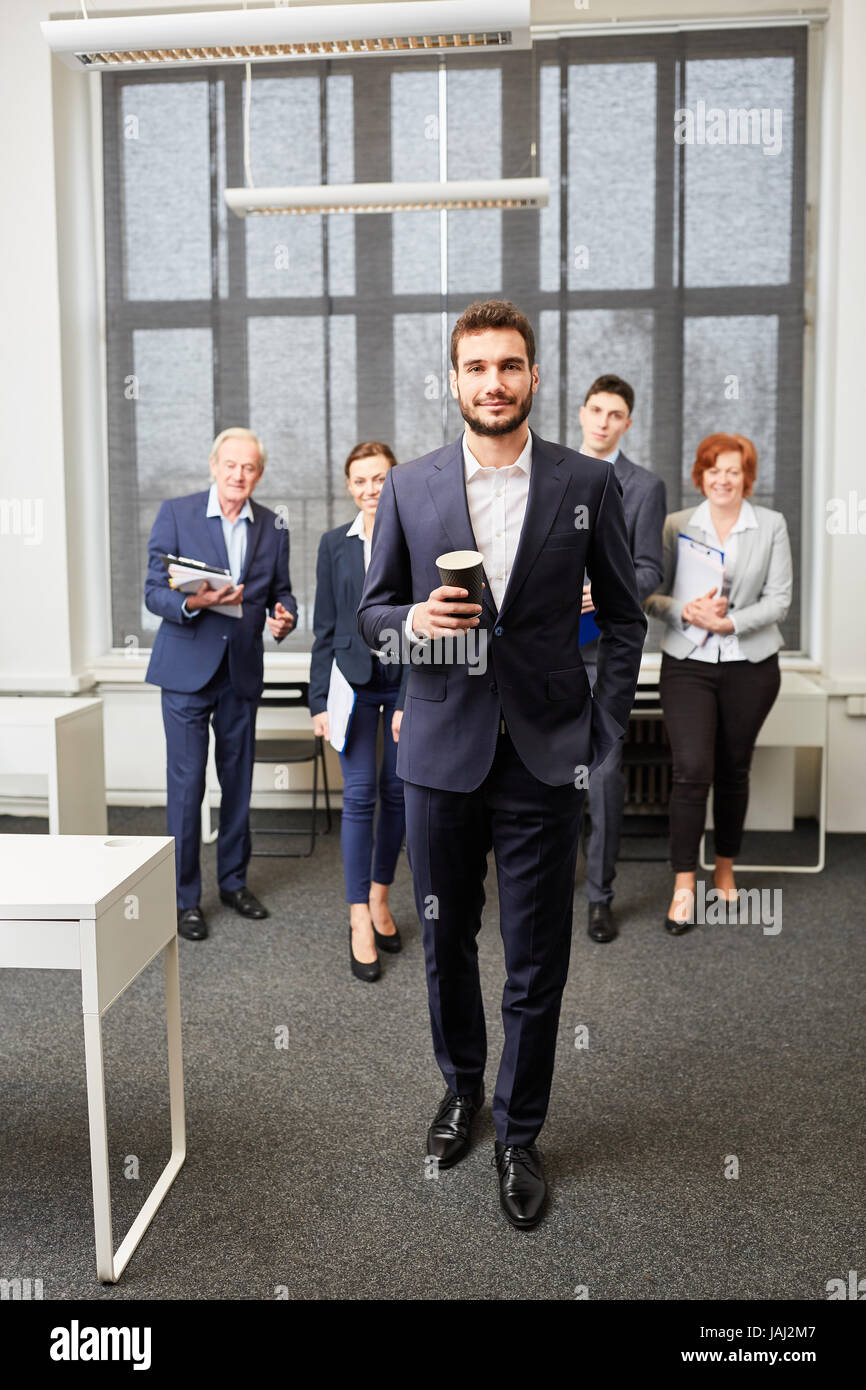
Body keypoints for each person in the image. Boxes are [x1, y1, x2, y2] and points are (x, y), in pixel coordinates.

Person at [358, 299, 646, 1229]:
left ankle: (520, 1131)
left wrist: (603, 732)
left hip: (545, 754)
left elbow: (628, 618)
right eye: (477, 366)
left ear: (532, 376)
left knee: (537, 957)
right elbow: (372, 615)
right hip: (440, 752)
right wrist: (410, 625)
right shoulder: (412, 486)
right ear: (453, 380)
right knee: (444, 943)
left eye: (510, 365)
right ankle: (461, 1093)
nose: (494, 382)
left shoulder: (582, 482)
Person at [145, 427, 297, 941]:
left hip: (241, 672)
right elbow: (152, 592)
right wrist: (193, 603)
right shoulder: (176, 513)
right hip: (186, 673)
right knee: (187, 789)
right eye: (231, 465)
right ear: (213, 465)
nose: (239, 475)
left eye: (250, 467)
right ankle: (185, 899)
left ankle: (233, 883)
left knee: (238, 785)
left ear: (259, 472)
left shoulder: (274, 524)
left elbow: (283, 593)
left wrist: (285, 617)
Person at [644, 432, 792, 934]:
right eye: (714, 470)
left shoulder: (770, 525)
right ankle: (684, 883)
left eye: (733, 470)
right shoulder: (675, 525)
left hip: (751, 664)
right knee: (691, 770)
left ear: (746, 476)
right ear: (700, 475)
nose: (723, 479)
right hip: (688, 662)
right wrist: (686, 611)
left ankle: (725, 870)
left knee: (733, 769)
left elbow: (779, 601)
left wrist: (730, 622)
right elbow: (650, 594)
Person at [309, 442, 407, 984]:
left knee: (396, 794)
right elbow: (325, 628)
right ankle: (357, 920)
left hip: (400, 684)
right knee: (358, 797)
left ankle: (379, 897)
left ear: (394, 482)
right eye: (361, 480)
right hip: (350, 684)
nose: (371, 489)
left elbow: (424, 625)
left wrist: (411, 698)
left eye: (380, 479)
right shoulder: (333, 546)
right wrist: (318, 702)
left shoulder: (414, 537)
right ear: (349, 486)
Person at [576, 374, 666, 943]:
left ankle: (599, 898)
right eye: (597, 410)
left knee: (604, 778)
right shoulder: (550, 469)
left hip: (605, 652)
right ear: (583, 413)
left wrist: (604, 590)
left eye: (616, 414)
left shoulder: (644, 486)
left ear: (626, 423)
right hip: (547, 650)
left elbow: (651, 571)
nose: (604, 421)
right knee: (547, 774)